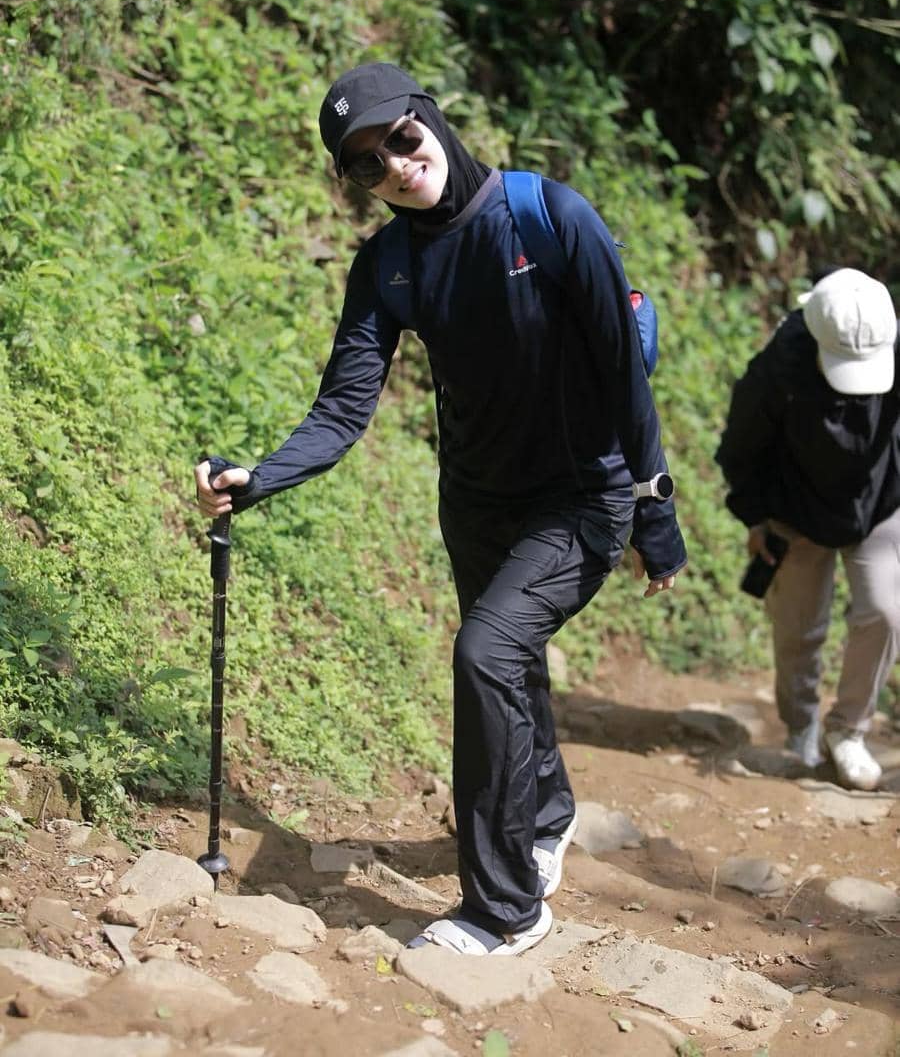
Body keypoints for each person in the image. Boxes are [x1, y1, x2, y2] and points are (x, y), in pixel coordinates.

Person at [194, 63, 687, 955]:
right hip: (475, 500)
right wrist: (259, 476)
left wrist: (655, 510)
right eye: (367, 165)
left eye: (401, 138)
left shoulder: (548, 216)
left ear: (430, 117)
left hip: (581, 497)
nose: (395, 166)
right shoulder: (387, 267)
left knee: (487, 651)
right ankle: (546, 819)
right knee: (511, 657)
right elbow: (345, 408)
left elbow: (622, 372)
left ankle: (505, 911)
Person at [716, 267, 900, 791]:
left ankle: (849, 731)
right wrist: (754, 518)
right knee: (798, 628)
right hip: (794, 512)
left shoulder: (894, 344)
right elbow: (741, 448)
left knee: (886, 611)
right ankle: (802, 725)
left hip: (880, 499)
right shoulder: (778, 369)